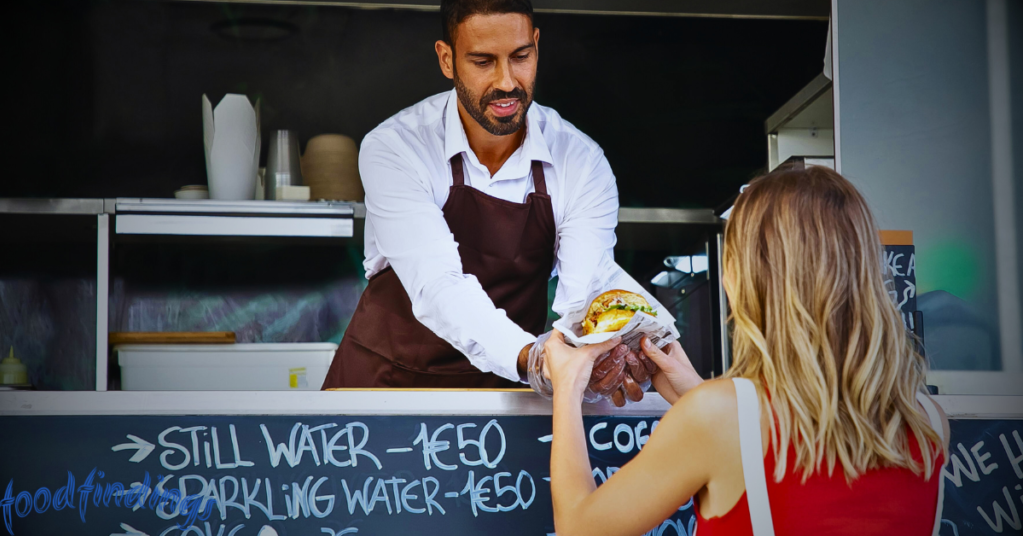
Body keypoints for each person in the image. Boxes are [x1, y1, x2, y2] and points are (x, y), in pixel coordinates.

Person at [543, 165, 950, 535]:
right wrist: (697, 392)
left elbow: (580, 528)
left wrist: (567, 387)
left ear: (747, 279)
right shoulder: (929, 421)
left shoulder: (715, 419)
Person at [321, 0, 651, 391]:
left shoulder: (579, 161)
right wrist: (534, 359)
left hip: (502, 398)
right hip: (383, 390)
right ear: (447, 60)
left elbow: (583, 294)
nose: (507, 81)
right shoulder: (397, 147)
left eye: (520, 56)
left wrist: (605, 354)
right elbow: (438, 283)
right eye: (483, 61)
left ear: (536, 45)